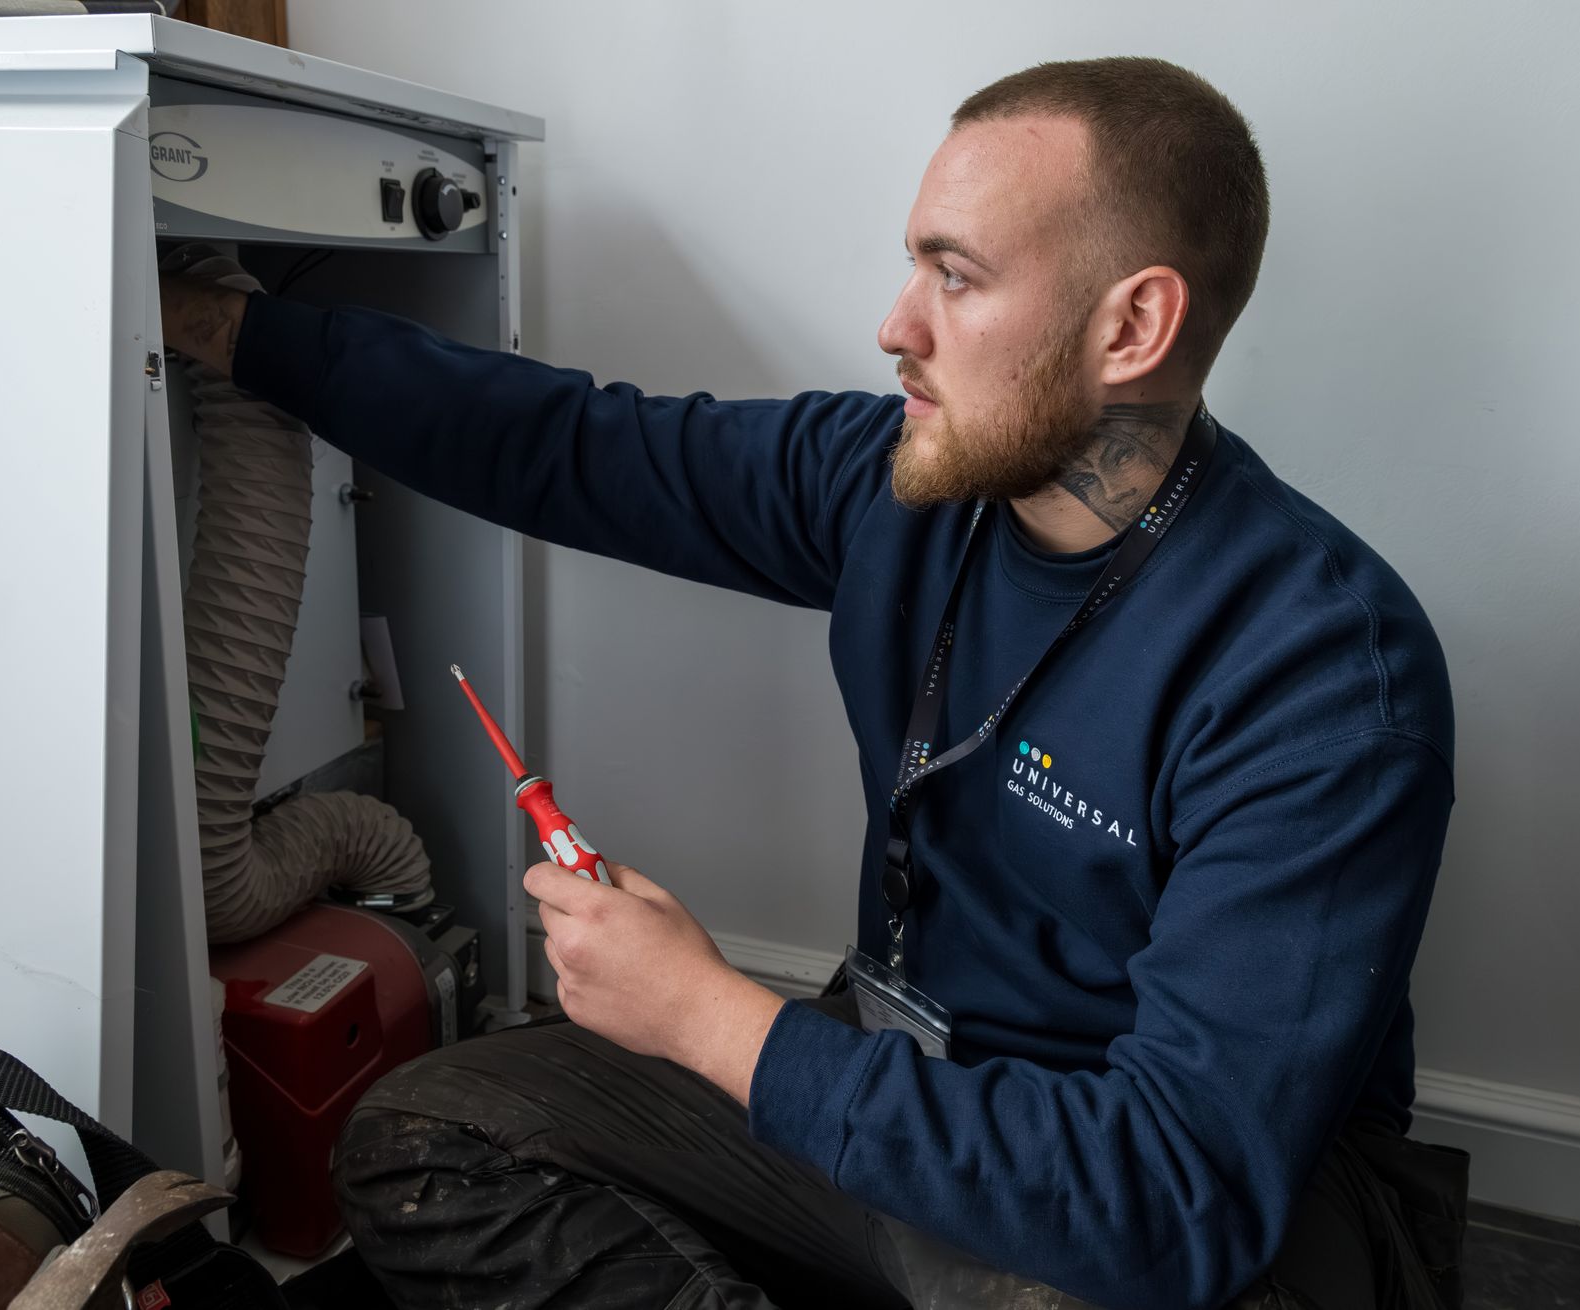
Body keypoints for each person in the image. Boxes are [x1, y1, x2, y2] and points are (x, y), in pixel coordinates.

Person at [161, 56, 1468, 1310]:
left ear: (1133, 323)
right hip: (906, 1092)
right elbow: (567, 444)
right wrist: (235, 331)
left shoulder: (1322, 669)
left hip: (1145, 1210)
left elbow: (1174, 1196)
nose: (895, 327)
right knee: (429, 1136)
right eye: (915, 266)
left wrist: (710, 1018)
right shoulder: (895, 483)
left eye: (955, 279)